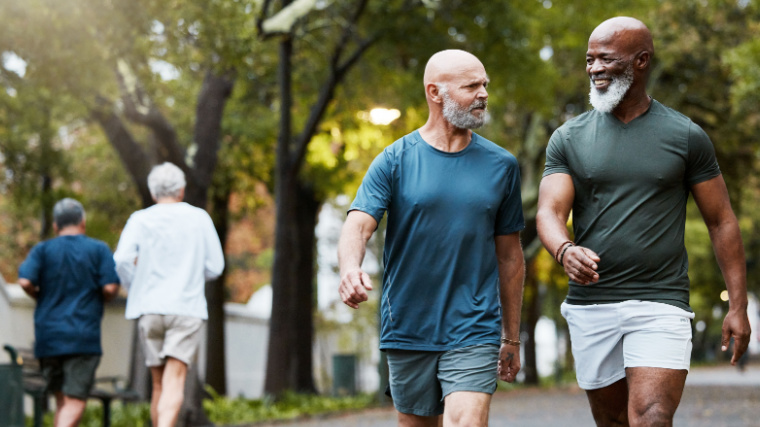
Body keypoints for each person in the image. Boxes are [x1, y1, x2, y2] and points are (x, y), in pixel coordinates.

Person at [536, 17, 751, 426]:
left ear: (641, 61)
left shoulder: (686, 136)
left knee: (651, 417)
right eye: (589, 59)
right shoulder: (569, 138)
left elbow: (722, 221)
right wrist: (563, 249)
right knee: (613, 421)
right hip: (591, 305)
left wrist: (737, 306)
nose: (594, 68)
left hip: (660, 301)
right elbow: (549, 211)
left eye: (605, 58)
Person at [338, 49, 525, 427]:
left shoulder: (502, 166)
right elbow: (358, 224)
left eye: (485, 84)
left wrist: (511, 336)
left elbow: (510, 257)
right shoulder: (394, 160)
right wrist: (349, 268)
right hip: (408, 326)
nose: (483, 93)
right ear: (435, 92)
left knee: (466, 422)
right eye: (471, 85)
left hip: (474, 326)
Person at [113, 162, 224, 427]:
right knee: (175, 382)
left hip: (148, 308)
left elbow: (121, 260)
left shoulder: (139, 219)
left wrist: (134, 286)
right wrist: (193, 275)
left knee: (159, 385)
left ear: (153, 193)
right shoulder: (199, 218)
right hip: (186, 309)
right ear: (181, 190)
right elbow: (215, 267)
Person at [18, 198, 120, 427]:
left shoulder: (42, 250)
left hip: (48, 338)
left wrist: (38, 295)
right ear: (83, 223)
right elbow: (111, 287)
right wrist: (103, 297)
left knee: (63, 401)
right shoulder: (98, 249)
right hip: (82, 338)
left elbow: (25, 281)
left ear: (55, 226)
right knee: (75, 402)